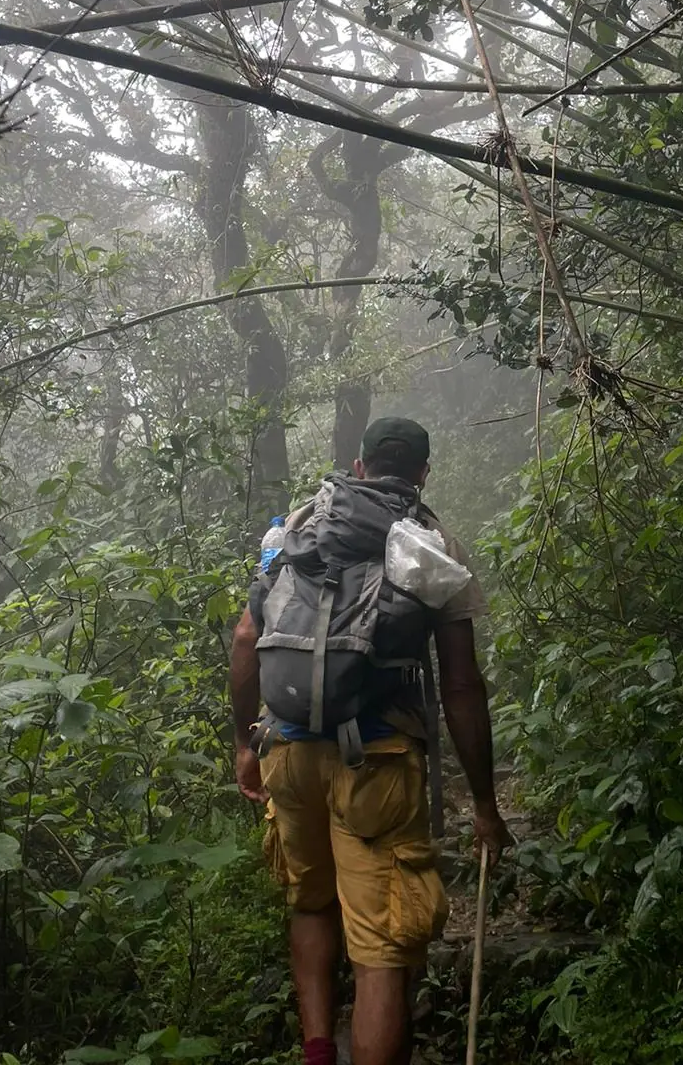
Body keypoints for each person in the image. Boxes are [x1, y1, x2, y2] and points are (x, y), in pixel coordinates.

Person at [229, 417, 509, 1065]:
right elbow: (463, 687)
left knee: (312, 904)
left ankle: (322, 1051)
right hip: (377, 761)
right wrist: (485, 805)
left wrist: (246, 745)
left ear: (357, 467)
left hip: (288, 751)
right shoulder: (434, 542)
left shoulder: (297, 526)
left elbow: (247, 639)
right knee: (381, 946)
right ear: (421, 473)